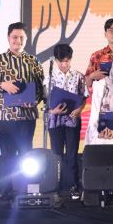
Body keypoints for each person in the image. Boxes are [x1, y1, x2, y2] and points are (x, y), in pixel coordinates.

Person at [0, 22, 44, 198]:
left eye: (21, 37)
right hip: (5, 116)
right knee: (7, 155)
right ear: (8, 38)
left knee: (26, 154)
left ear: (26, 39)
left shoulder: (33, 61)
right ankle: (6, 189)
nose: (18, 40)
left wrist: (34, 101)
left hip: (27, 116)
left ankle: (27, 189)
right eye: (14, 37)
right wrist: (2, 85)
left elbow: (41, 87)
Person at [43, 44, 88, 197]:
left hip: (72, 119)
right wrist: (52, 111)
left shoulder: (78, 76)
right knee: (56, 154)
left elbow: (84, 97)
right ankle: (57, 185)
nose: (64, 64)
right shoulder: (49, 78)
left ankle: (74, 185)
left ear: (71, 59)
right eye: (61, 61)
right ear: (56, 60)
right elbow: (44, 102)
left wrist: (79, 109)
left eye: (67, 61)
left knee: (72, 154)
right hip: (54, 121)